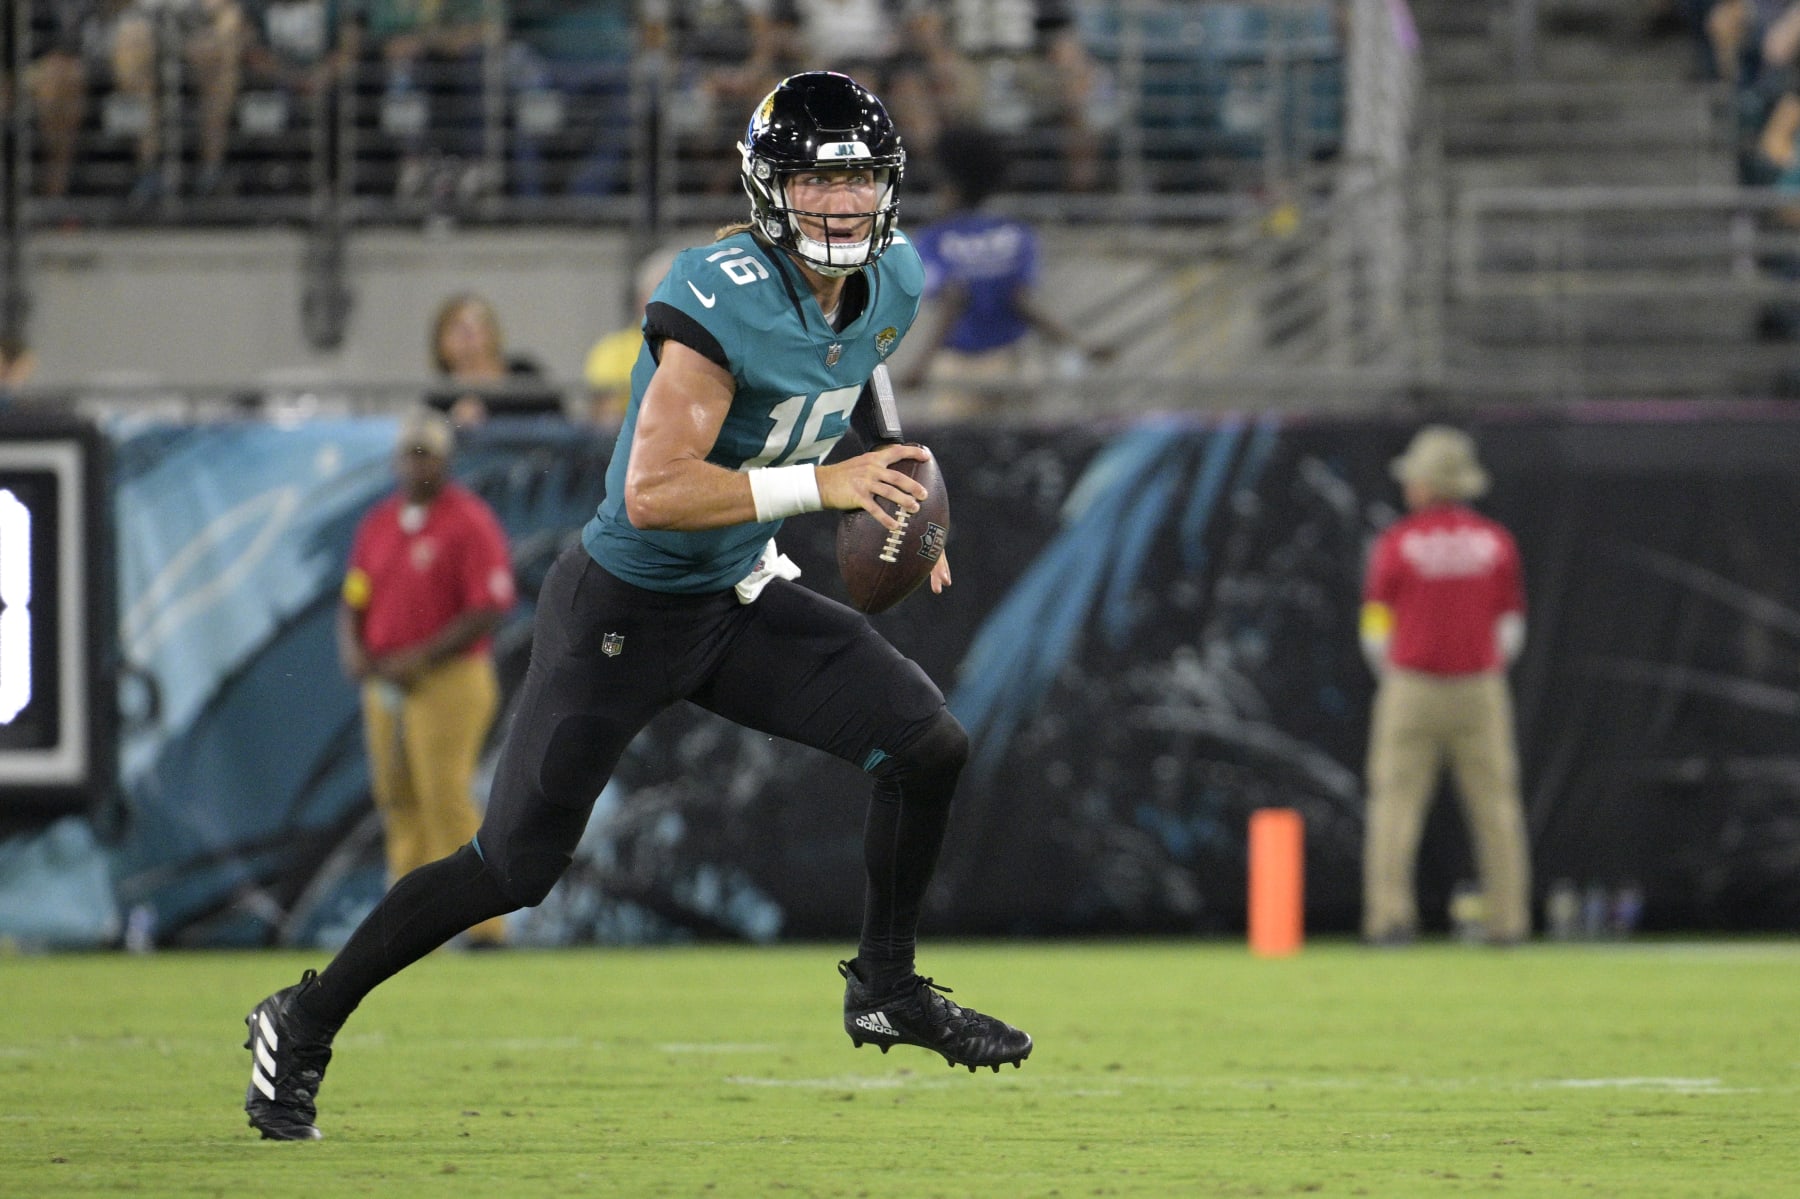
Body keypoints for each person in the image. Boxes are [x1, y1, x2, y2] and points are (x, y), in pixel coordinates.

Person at [242, 70, 1031, 1142]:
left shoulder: (892, 271)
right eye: (815, 179)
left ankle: (884, 984)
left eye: (858, 181)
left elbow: (860, 369)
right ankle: (305, 1014)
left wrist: (895, 477)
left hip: (739, 597)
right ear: (770, 187)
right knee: (512, 867)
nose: (842, 205)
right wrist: (827, 485)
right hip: (624, 607)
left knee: (927, 742)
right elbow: (653, 493)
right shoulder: (721, 290)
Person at [338, 407, 514, 949]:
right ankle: (405, 917)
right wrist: (354, 648)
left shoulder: (468, 520)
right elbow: (354, 596)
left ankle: (483, 925)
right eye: (410, 453)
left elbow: (490, 604)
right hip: (387, 681)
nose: (418, 464)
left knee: (445, 793)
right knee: (397, 797)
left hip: (450, 677)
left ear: (446, 460)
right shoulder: (379, 523)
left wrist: (422, 655)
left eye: (428, 454)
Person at [1359, 425, 1531, 948]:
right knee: (1496, 810)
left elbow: (1373, 625)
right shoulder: (1496, 543)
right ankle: (1508, 923)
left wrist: (1396, 672)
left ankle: (1389, 920)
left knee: (1394, 808)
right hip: (1480, 689)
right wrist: (1481, 667)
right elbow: (1511, 628)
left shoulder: (1398, 543)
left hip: (1410, 687)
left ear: (1427, 485)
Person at [900, 124, 1111, 419]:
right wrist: (1079, 344)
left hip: (959, 367)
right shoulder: (1016, 234)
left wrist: (920, 365)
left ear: (951, 184)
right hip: (1012, 361)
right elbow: (1021, 302)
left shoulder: (936, 239)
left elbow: (953, 299)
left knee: (955, 455)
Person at [423, 291, 564, 423]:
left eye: (476, 324)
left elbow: (561, 423)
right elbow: (426, 444)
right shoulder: (440, 398)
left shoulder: (525, 376)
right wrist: (456, 423)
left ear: (493, 332)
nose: (467, 335)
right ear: (441, 341)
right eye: (456, 327)